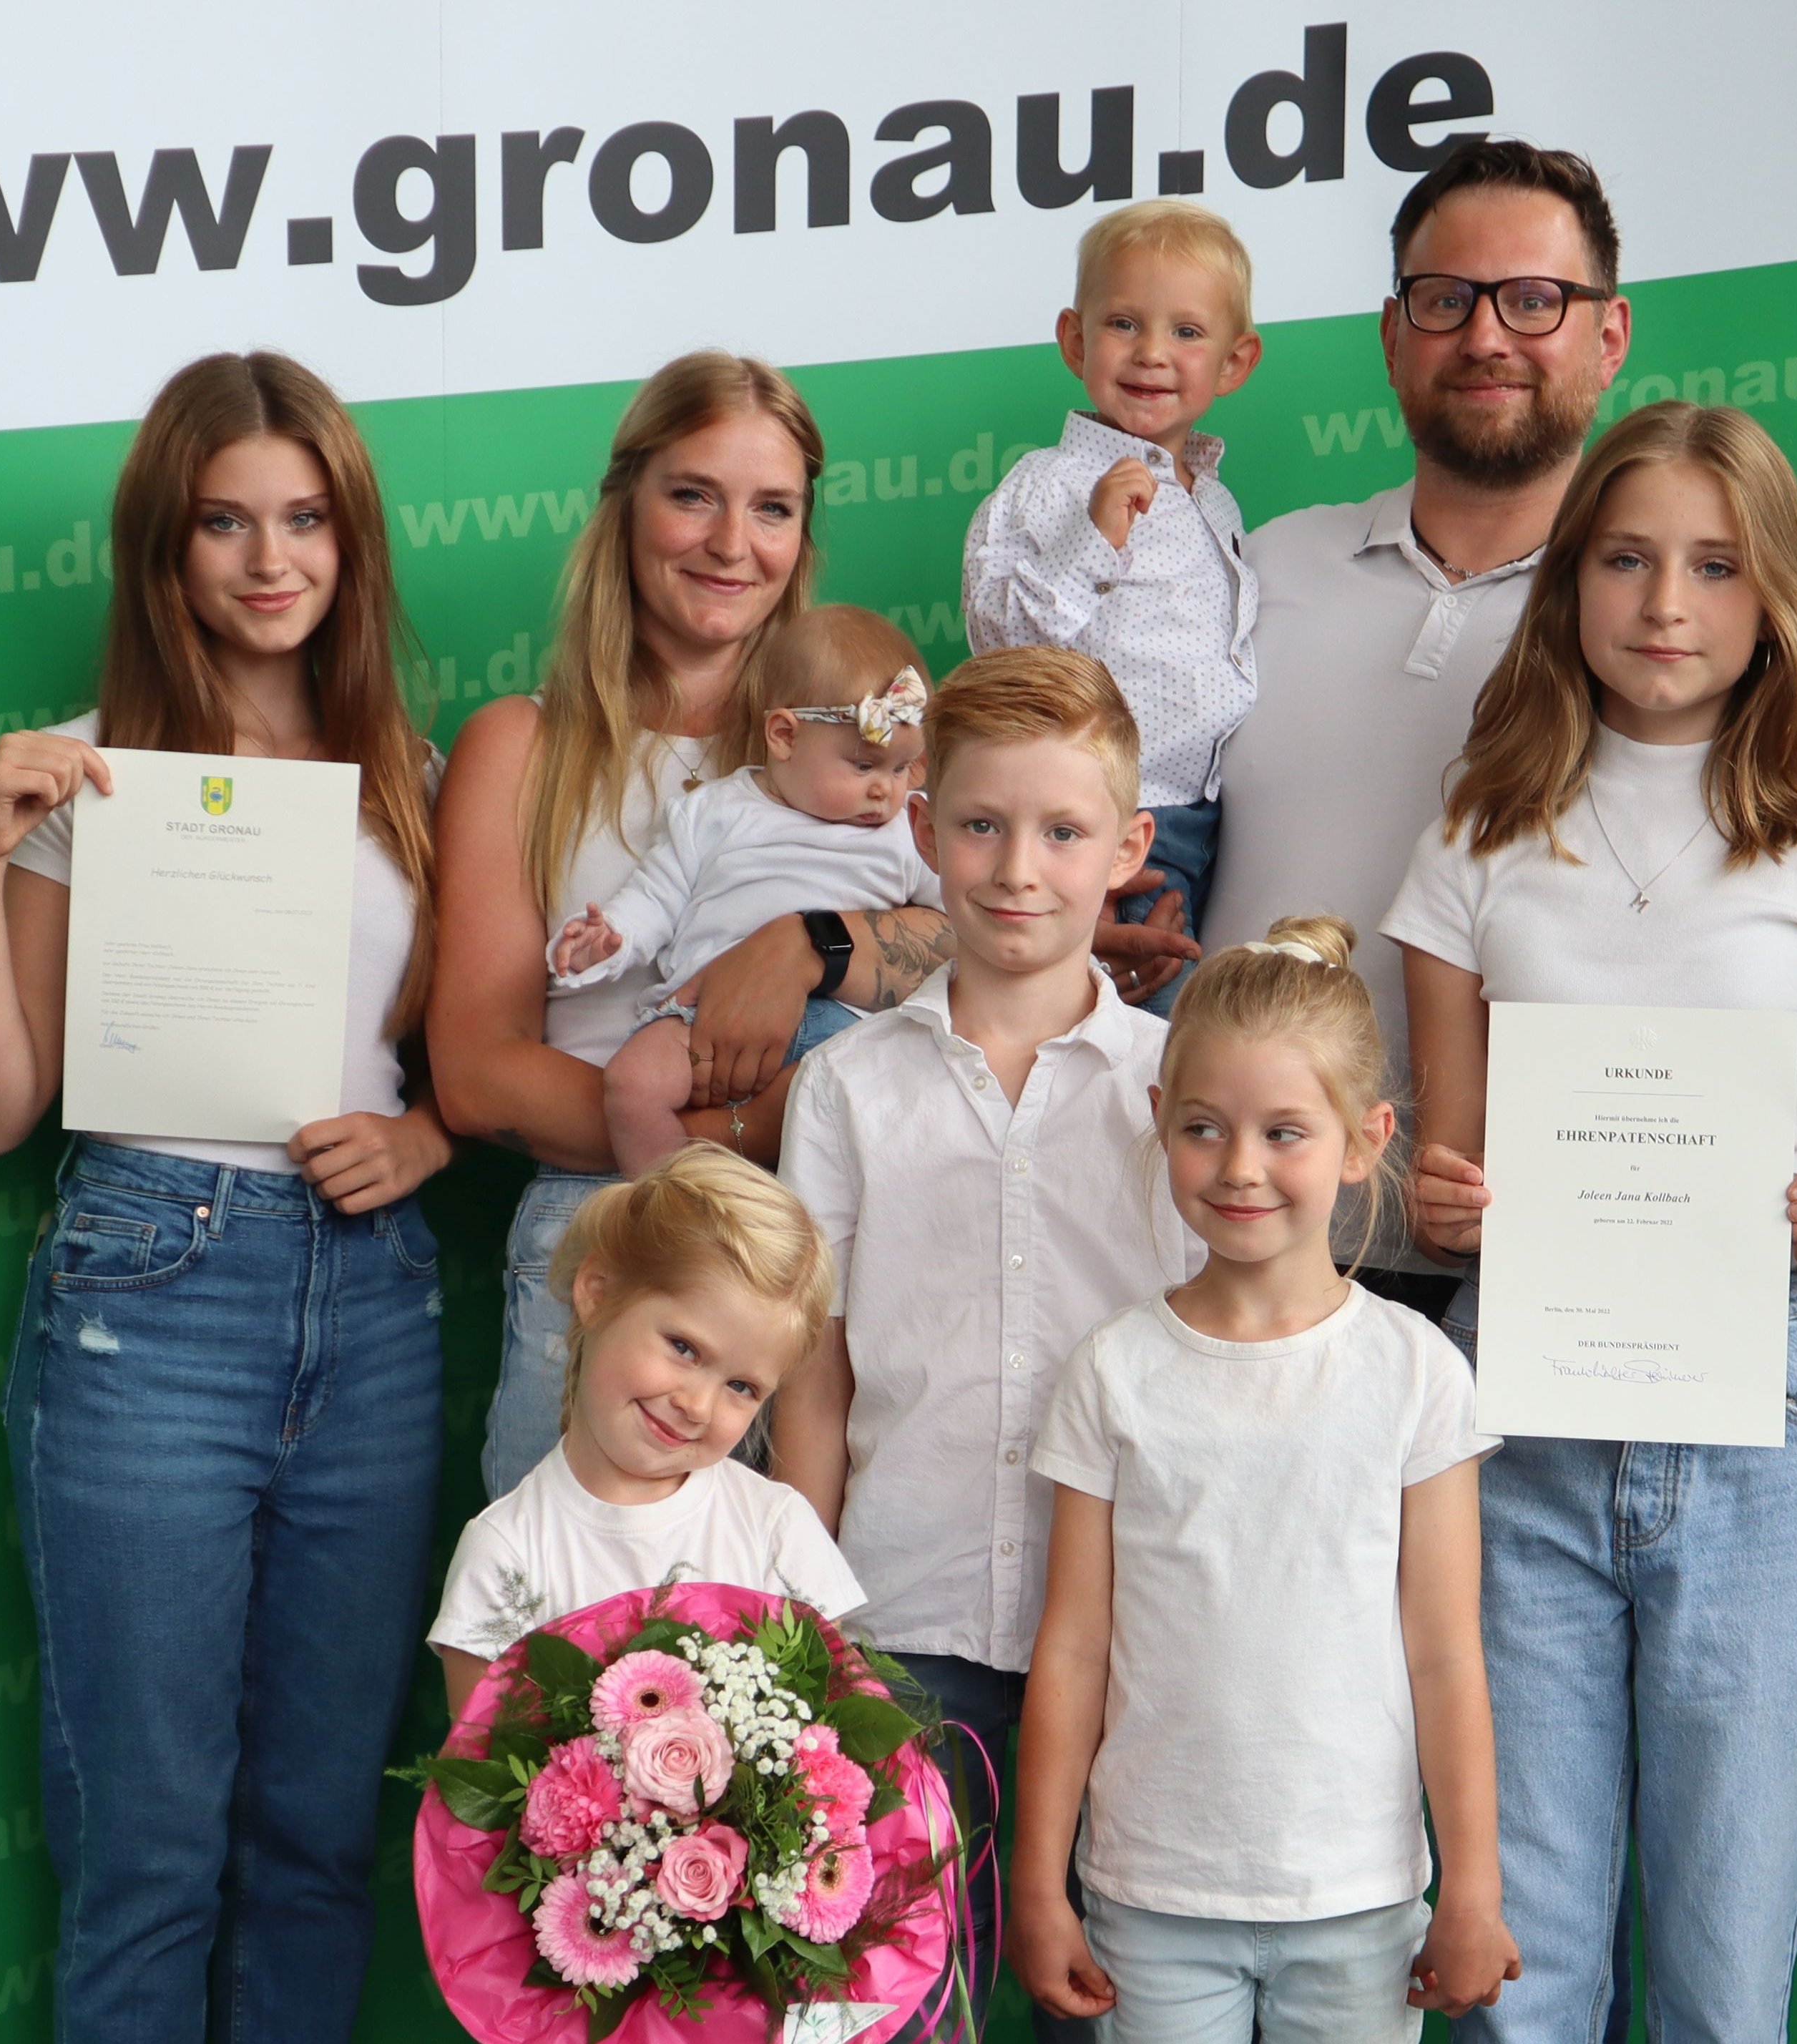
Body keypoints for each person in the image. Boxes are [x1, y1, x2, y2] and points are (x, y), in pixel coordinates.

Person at [0, 351, 452, 2044]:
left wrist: (430, 1140)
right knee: (148, 1849)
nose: (269, 558)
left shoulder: (420, 781)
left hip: (373, 1299)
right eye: (224, 522)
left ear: (352, 541)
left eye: (305, 518)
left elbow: (474, 1058)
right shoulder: (88, 777)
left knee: (316, 1840)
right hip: (153, 1285)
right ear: (165, 548)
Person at [1389, 401, 1797, 2044]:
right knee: (1517, 1985)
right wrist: (1442, 1191)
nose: (1665, 604)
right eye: (1624, 559)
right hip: (1523, 1429)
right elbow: (1443, 1171)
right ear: (1570, 590)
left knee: (1722, 1993)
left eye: (1712, 565)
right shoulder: (1477, 834)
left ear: (1778, 601)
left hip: (1772, 1422)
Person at [769, 648, 1205, 2037]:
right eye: (982, 825)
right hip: (904, 1618)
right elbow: (814, 1383)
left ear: (1128, 848)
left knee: (1112, 1997)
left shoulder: (1179, 1094)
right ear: (922, 832)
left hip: (1137, 1629)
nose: (1020, 868)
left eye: (1065, 832)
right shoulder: (844, 1088)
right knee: (896, 2003)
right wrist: (806, 1628)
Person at [434, 353, 956, 1503]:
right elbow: (475, 1075)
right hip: (610, 1225)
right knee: (571, 1646)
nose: (732, 543)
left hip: (833, 1235)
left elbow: (963, 940)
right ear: (625, 504)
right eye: (693, 495)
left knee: (778, 1650)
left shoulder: (856, 759)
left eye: (772, 508)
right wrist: (738, 1140)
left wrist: (810, 941)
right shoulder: (520, 748)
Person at [1009, 915, 1517, 2044]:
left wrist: (1473, 1888)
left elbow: (1444, 1652)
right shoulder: (1112, 1373)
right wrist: (1040, 1888)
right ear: (1159, 1122)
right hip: (1151, 1892)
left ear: (1363, 1139)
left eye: (1284, 1131)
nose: (1240, 1166)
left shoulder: (1416, 1372)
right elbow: (1076, 1648)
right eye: (1204, 1128)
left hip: (1358, 1898)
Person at [1190, 139, 1631, 1316]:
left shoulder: (1655, 620)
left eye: (1535, 300)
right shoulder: (1260, 565)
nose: (1486, 335)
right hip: (1238, 1234)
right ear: (1394, 338)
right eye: (1446, 300)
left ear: (1610, 335)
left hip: (1535, 1272)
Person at [423, 1143, 859, 1718]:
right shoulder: (507, 1554)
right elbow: (482, 1785)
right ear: (597, 1291)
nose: (698, 1405)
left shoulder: (777, 1529)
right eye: (684, 1347)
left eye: (742, 1387)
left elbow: (845, 1748)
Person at [963, 198, 1265, 986]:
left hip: (1214, 819)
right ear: (1076, 339)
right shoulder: (1047, 485)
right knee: (1129, 1025)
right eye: (1124, 324)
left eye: (1188, 332)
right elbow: (1000, 649)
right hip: (1107, 814)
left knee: (1191, 1028)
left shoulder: (1218, 500)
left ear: (1235, 363)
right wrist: (1091, 540)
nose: (1152, 355)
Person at [552, 606, 940, 1178]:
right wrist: (612, 936)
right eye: (863, 764)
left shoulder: (906, 826)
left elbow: (960, 919)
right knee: (631, 1082)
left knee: (894, 1099)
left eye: (905, 766)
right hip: (703, 1018)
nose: (886, 788)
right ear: (785, 736)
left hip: (845, 1023)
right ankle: (675, 1211)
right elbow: (658, 894)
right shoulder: (714, 810)